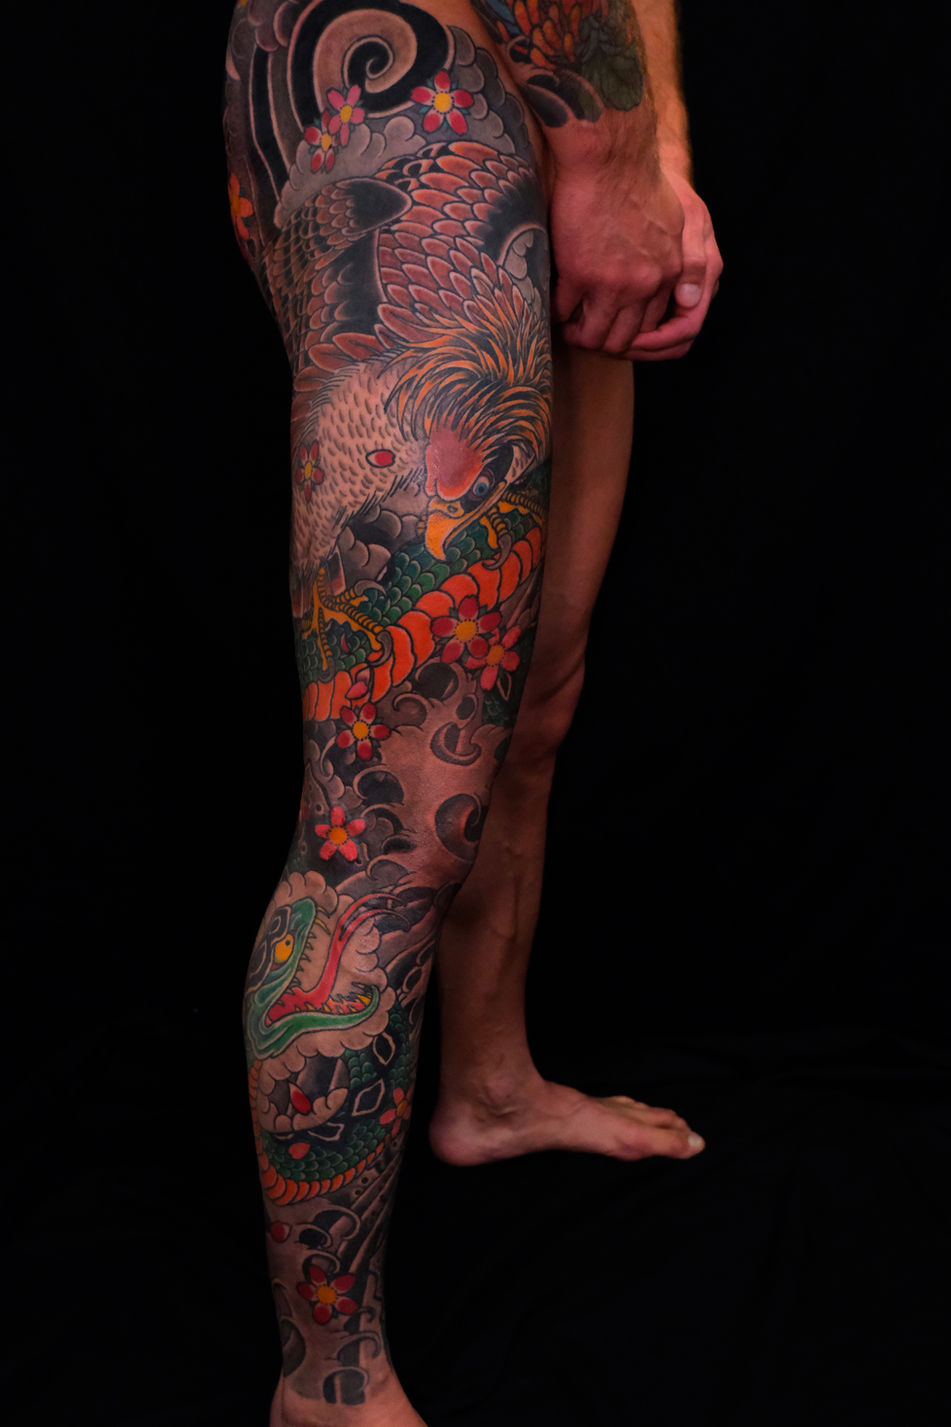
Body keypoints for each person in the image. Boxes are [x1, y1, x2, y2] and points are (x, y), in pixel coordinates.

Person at [223, 1, 722, 1422]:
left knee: (532, 701)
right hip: (420, 92)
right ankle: (325, 1384)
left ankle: (489, 1091)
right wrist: (608, 160)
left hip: (557, 108)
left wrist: (656, 149)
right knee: (387, 814)